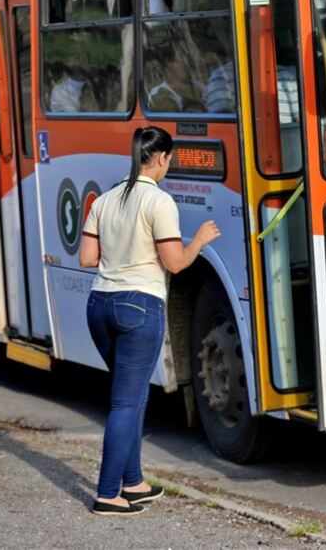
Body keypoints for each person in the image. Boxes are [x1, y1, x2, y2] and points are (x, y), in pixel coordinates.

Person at [79, 126, 220, 517]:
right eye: (168, 159)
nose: (168, 165)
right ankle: (108, 493)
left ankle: (133, 482)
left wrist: (121, 247)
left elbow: (87, 259)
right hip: (139, 306)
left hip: (99, 305)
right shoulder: (159, 202)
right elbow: (175, 262)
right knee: (126, 402)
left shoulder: (105, 200)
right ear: (159, 158)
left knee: (133, 394)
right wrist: (200, 241)